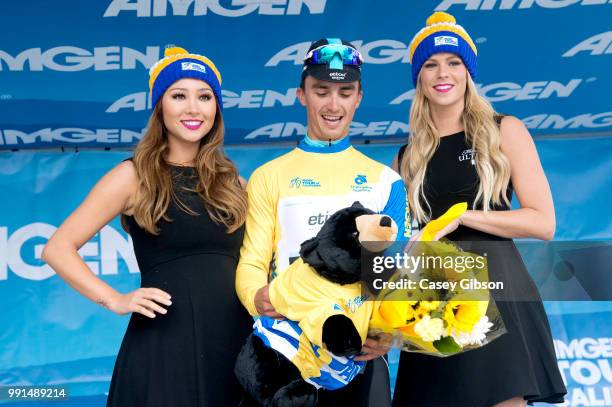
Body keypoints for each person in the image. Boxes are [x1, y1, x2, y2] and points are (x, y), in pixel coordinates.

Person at [42, 46, 253, 406]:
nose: (193, 108)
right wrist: (115, 299)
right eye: (178, 95)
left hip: (236, 347)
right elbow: (57, 249)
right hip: (165, 348)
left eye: (204, 96)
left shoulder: (234, 182)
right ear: (160, 106)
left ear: (216, 108)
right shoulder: (133, 176)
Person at [391, 12, 567, 407]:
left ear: (468, 71)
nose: (443, 73)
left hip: (498, 292)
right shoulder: (406, 157)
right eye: (431, 64)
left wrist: (459, 217)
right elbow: (402, 243)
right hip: (432, 300)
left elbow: (543, 222)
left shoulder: (505, 130)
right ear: (418, 77)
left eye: (454, 62)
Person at [236, 38, 408, 406]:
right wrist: (258, 299)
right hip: (288, 354)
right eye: (321, 91)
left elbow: (392, 270)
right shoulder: (268, 176)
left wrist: (386, 331)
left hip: (358, 357)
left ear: (359, 97)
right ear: (302, 94)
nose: (333, 105)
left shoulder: (386, 182)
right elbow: (252, 261)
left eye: (345, 92)